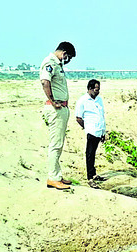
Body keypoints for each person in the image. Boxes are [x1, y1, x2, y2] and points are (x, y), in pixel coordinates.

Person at [40, 41, 76, 190]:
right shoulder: (50, 62)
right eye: (68, 57)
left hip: (62, 108)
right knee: (55, 144)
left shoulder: (57, 64)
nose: (67, 60)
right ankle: (53, 178)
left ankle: (57, 175)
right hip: (55, 109)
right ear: (64, 53)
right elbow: (45, 82)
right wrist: (53, 101)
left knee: (59, 144)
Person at [75, 79, 106, 187]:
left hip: (99, 130)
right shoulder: (83, 100)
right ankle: (89, 178)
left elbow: (102, 115)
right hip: (91, 130)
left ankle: (93, 173)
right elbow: (78, 118)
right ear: (90, 89)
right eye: (96, 89)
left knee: (94, 153)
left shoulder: (99, 100)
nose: (98, 92)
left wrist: (103, 131)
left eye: (99, 90)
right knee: (89, 154)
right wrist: (87, 127)